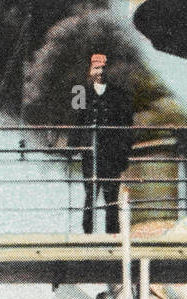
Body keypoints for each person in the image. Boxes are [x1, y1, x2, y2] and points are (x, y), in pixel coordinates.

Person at [76, 52, 133, 236]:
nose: (100, 72)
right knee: (90, 194)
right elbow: (76, 121)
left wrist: (124, 153)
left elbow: (126, 125)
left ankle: (112, 235)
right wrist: (72, 147)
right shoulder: (79, 92)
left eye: (102, 68)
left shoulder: (119, 95)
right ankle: (87, 234)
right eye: (96, 68)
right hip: (90, 153)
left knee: (111, 197)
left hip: (111, 154)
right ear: (90, 70)